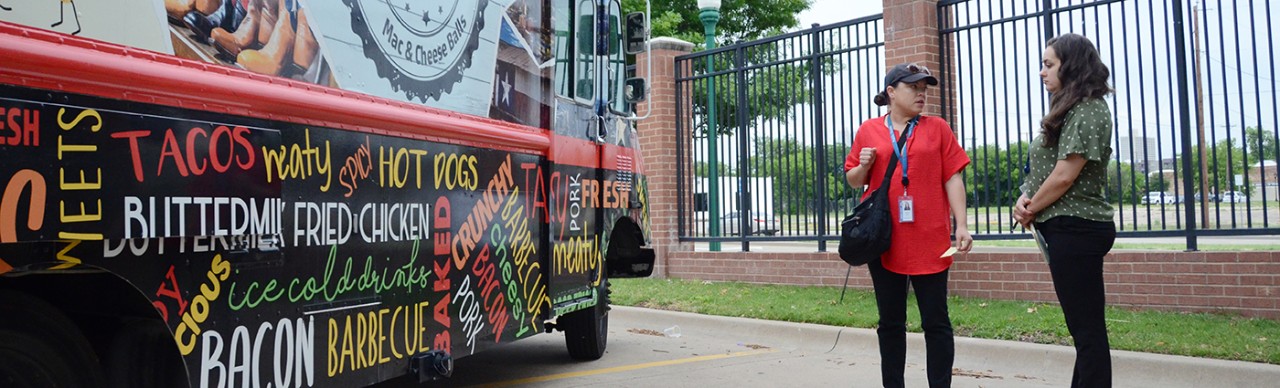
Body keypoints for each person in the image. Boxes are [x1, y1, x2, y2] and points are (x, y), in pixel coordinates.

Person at [844, 62, 972, 388]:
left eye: (924, 87)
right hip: (884, 239)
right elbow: (853, 180)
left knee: (937, 321)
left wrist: (961, 224)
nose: (921, 93)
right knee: (891, 322)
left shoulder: (938, 127)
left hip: (931, 237)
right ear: (891, 92)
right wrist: (864, 165)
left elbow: (953, 176)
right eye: (913, 86)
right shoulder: (869, 130)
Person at [1012, 33, 1116, 388]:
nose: (1042, 72)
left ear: (1071, 67)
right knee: (1084, 333)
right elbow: (1046, 171)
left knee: (1087, 334)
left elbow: (1064, 175)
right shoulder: (1071, 108)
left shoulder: (1089, 109)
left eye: (1049, 64)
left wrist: (1029, 211)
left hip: (1077, 229)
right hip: (1066, 229)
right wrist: (1026, 196)